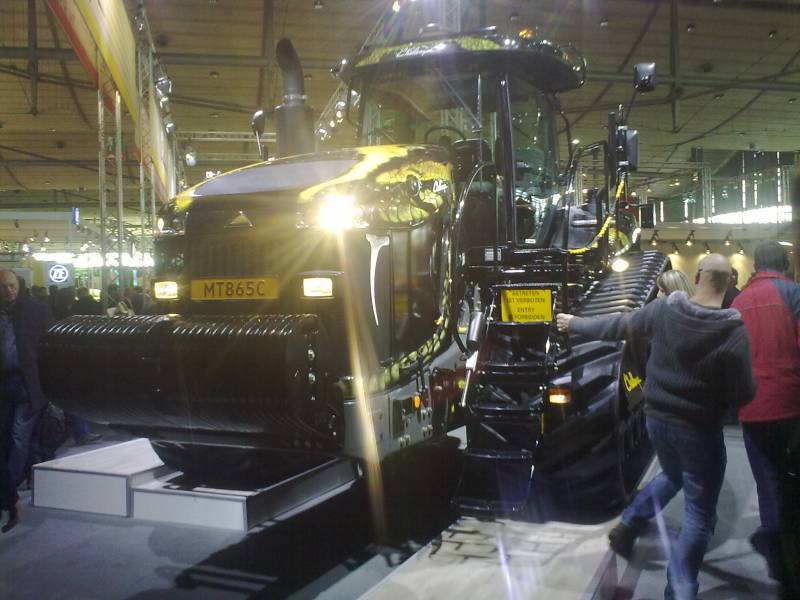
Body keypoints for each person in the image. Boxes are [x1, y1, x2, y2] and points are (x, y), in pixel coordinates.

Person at [556, 254, 755, 600]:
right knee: (699, 513)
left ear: (697, 275)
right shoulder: (733, 332)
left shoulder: (666, 311)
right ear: (729, 283)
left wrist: (574, 323)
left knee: (674, 474)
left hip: (657, 419)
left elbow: (619, 325)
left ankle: (631, 521)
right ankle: (680, 589)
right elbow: (745, 392)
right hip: (699, 430)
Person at [731, 241, 800, 587]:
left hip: (753, 406)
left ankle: (776, 556)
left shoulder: (739, 301)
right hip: (791, 403)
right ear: (785, 262)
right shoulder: (793, 294)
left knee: (767, 479)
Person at [0, 269, 54, 532]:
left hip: (27, 384)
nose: (9, 290)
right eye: (3, 287)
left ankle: (9, 492)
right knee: (8, 437)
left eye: (12, 285)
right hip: (4, 384)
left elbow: (49, 346)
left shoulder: (35, 310)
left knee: (19, 436)